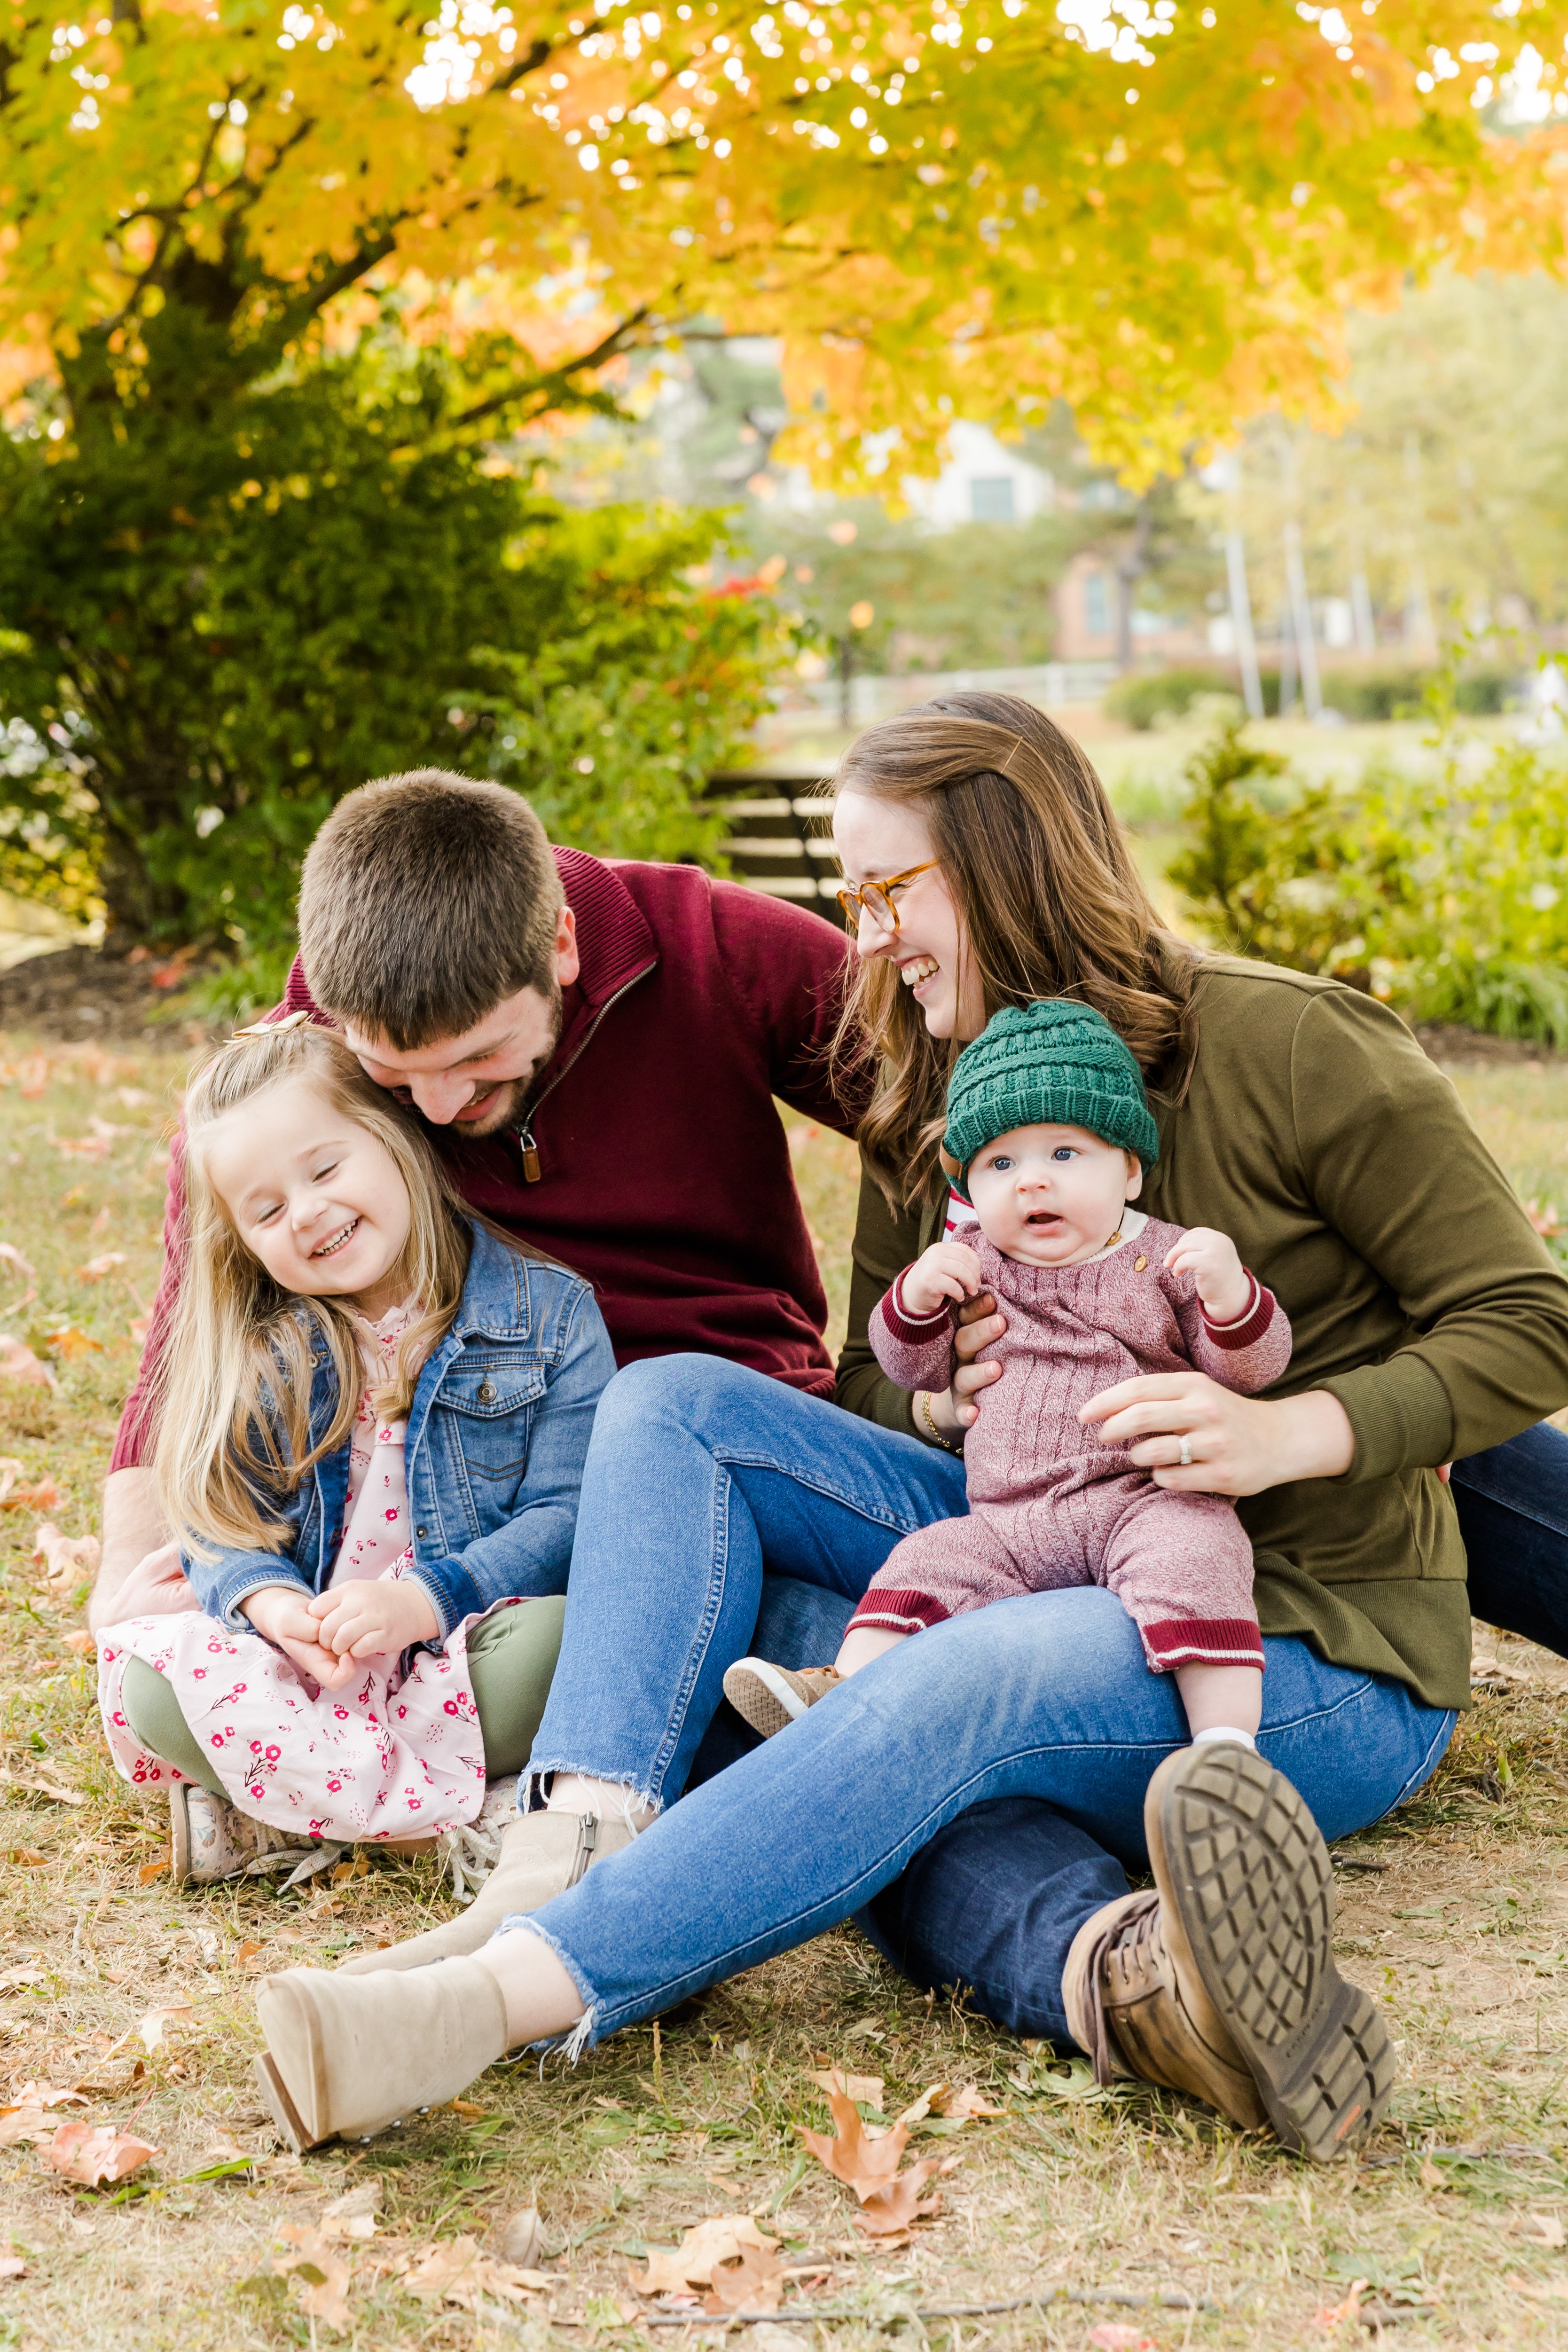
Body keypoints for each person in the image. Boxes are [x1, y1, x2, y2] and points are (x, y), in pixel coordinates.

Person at [251, 690, 1568, 2164]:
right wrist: (936, 1383)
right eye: (849, 894)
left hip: (1299, 1642)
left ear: (1011, 863)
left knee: (919, 1683)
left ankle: (487, 2001)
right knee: (677, 1414)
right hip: (1030, 1544)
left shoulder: (1291, 1045)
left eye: (889, 893)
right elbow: (871, 1388)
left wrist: (1293, 1430)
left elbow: (1528, 1316)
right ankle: (614, 1845)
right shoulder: (941, 1095)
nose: (860, 938)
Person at [89, 771, 862, 1647]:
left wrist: (898, 1347)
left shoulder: (712, 946)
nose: (441, 1107)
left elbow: (947, 1103)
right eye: (395, 1077)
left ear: (563, 947)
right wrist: (128, 1586)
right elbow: (189, 1337)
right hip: (498, 1497)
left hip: (736, 1419)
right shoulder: (299, 1084)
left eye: (483, 1056)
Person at [96, 1018, 613, 1882]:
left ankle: (275, 1809)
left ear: (396, 1139)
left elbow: (568, 1517)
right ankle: (453, 1815)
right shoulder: (269, 1351)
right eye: (265, 1211)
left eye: (326, 1168)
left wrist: (426, 1601)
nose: (307, 1213)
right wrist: (272, 1608)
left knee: (573, 1641)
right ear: (244, 1242)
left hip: (463, 1645)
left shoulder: (548, 1313)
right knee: (153, 1678)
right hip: (314, 1666)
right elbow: (221, 1526)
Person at [721, 997, 1288, 1747]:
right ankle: (843, 1687)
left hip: (1142, 1497)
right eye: (1000, 1163)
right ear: (971, 1188)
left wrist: (1230, 1292)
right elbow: (911, 1368)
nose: (1031, 1183)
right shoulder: (976, 1265)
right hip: (1008, 1518)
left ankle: (1224, 1743)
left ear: (1128, 1170)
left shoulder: (1167, 1255)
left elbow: (1250, 1367)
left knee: (1199, 1556)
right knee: (924, 1561)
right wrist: (917, 1300)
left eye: (1064, 1154)